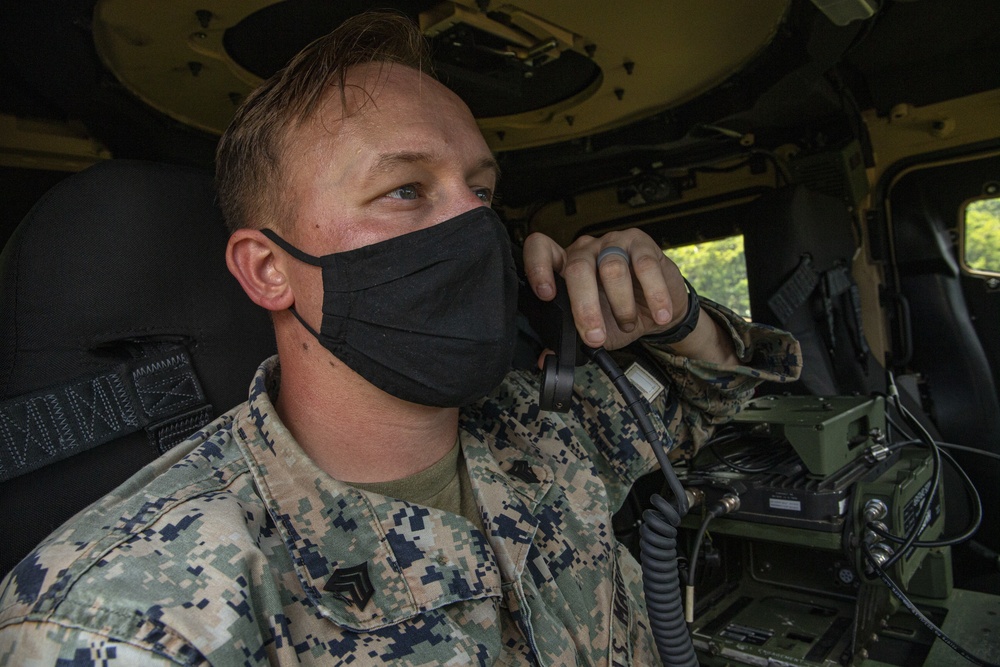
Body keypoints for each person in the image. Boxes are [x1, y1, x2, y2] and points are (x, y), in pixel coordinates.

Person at [0, 12, 800, 666]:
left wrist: (676, 317)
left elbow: (713, 401)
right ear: (268, 270)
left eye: (481, 189)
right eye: (406, 189)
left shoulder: (543, 424)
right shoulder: (128, 614)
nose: (474, 225)